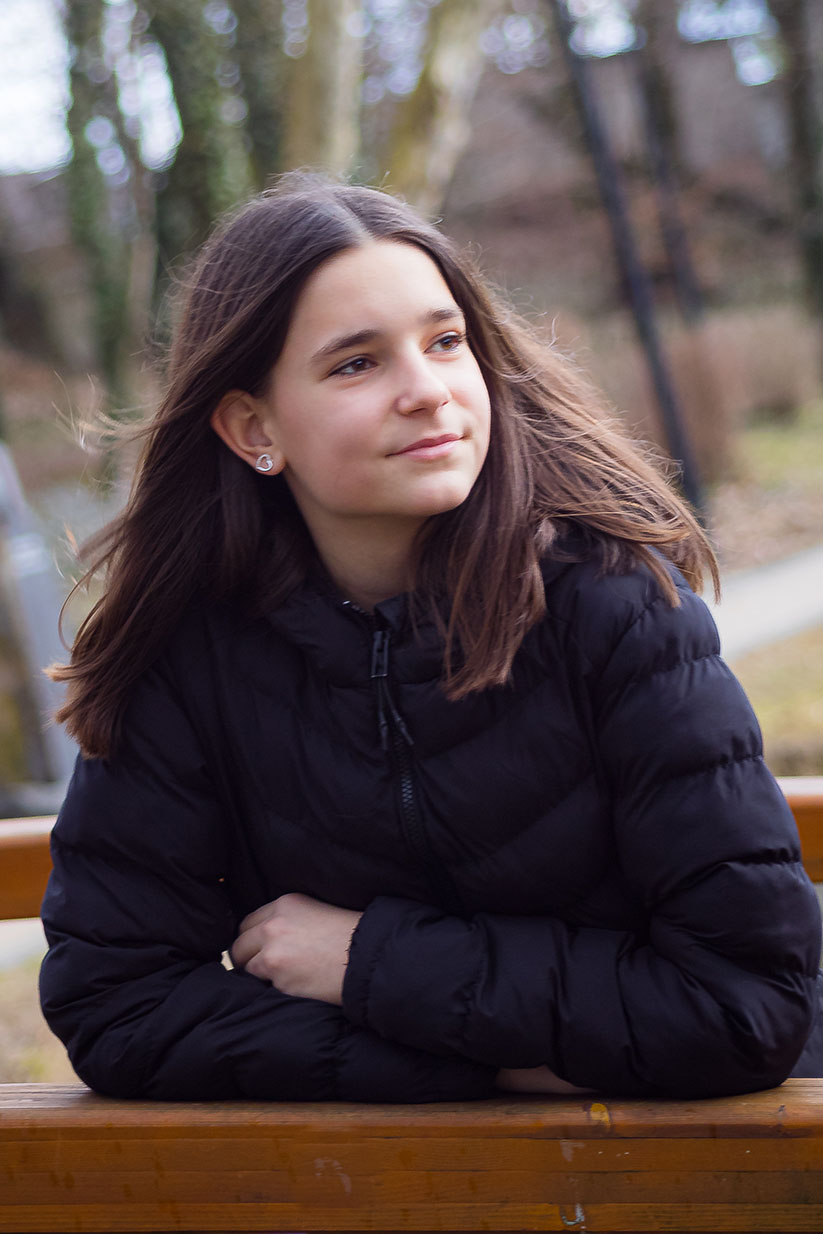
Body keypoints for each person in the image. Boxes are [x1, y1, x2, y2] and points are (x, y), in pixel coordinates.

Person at [40, 173, 823, 1102]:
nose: (427, 391)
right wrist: (491, 1064)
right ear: (253, 427)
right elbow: (118, 1006)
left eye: (445, 342)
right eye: (356, 364)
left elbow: (743, 1006)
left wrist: (368, 961)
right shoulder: (189, 652)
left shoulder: (617, 606)